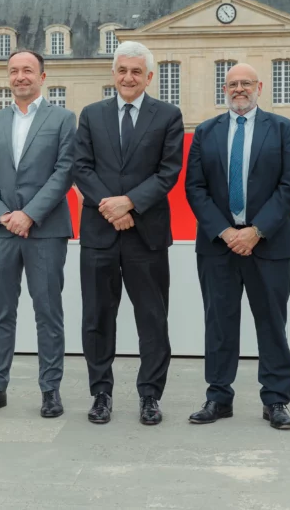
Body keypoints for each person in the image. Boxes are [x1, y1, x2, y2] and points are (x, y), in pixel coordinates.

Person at [183, 62, 290, 430]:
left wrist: (256, 231)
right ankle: (218, 397)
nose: (239, 89)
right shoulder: (206, 131)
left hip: (268, 244)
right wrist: (224, 231)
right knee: (219, 324)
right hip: (218, 245)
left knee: (271, 323)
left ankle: (276, 400)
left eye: (245, 83)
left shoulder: (282, 129)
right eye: (232, 84)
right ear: (224, 89)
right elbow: (195, 187)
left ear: (259, 87)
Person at [71, 40, 184, 426]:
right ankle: (101, 393)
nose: (129, 77)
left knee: (152, 319)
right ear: (113, 74)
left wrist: (130, 203)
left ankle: (150, 396)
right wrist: (112, 206)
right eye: (122, 70)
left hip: (146, 234)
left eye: (137, 71)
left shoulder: (168, 115)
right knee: (98, 318)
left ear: (149, 76)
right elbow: (81, 167)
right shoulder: (91, 114)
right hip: (100, 233)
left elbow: (168, 171)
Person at [0, 50, 76, 419]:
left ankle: (50, 390)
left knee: (48, 312)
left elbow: (64, 172)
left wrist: (29, 215)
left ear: (42, 77)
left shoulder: (63, 119)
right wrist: (1, 215)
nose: (20, 77)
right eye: (14, 71)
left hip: (45, 231)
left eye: (28, 70)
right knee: (0, 312)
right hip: (1, 233)